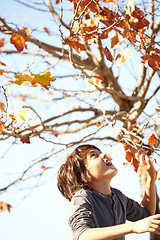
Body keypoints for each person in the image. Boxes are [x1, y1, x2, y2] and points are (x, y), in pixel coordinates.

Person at [57, 144, 160, 240]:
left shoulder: (118, 197)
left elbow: (146, 215)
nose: (104, 155)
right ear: (82, 172)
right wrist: (132, 227)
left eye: (100, 152)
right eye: (94, 155)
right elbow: (83, 235)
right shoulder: (82, 198)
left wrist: (151, 177)